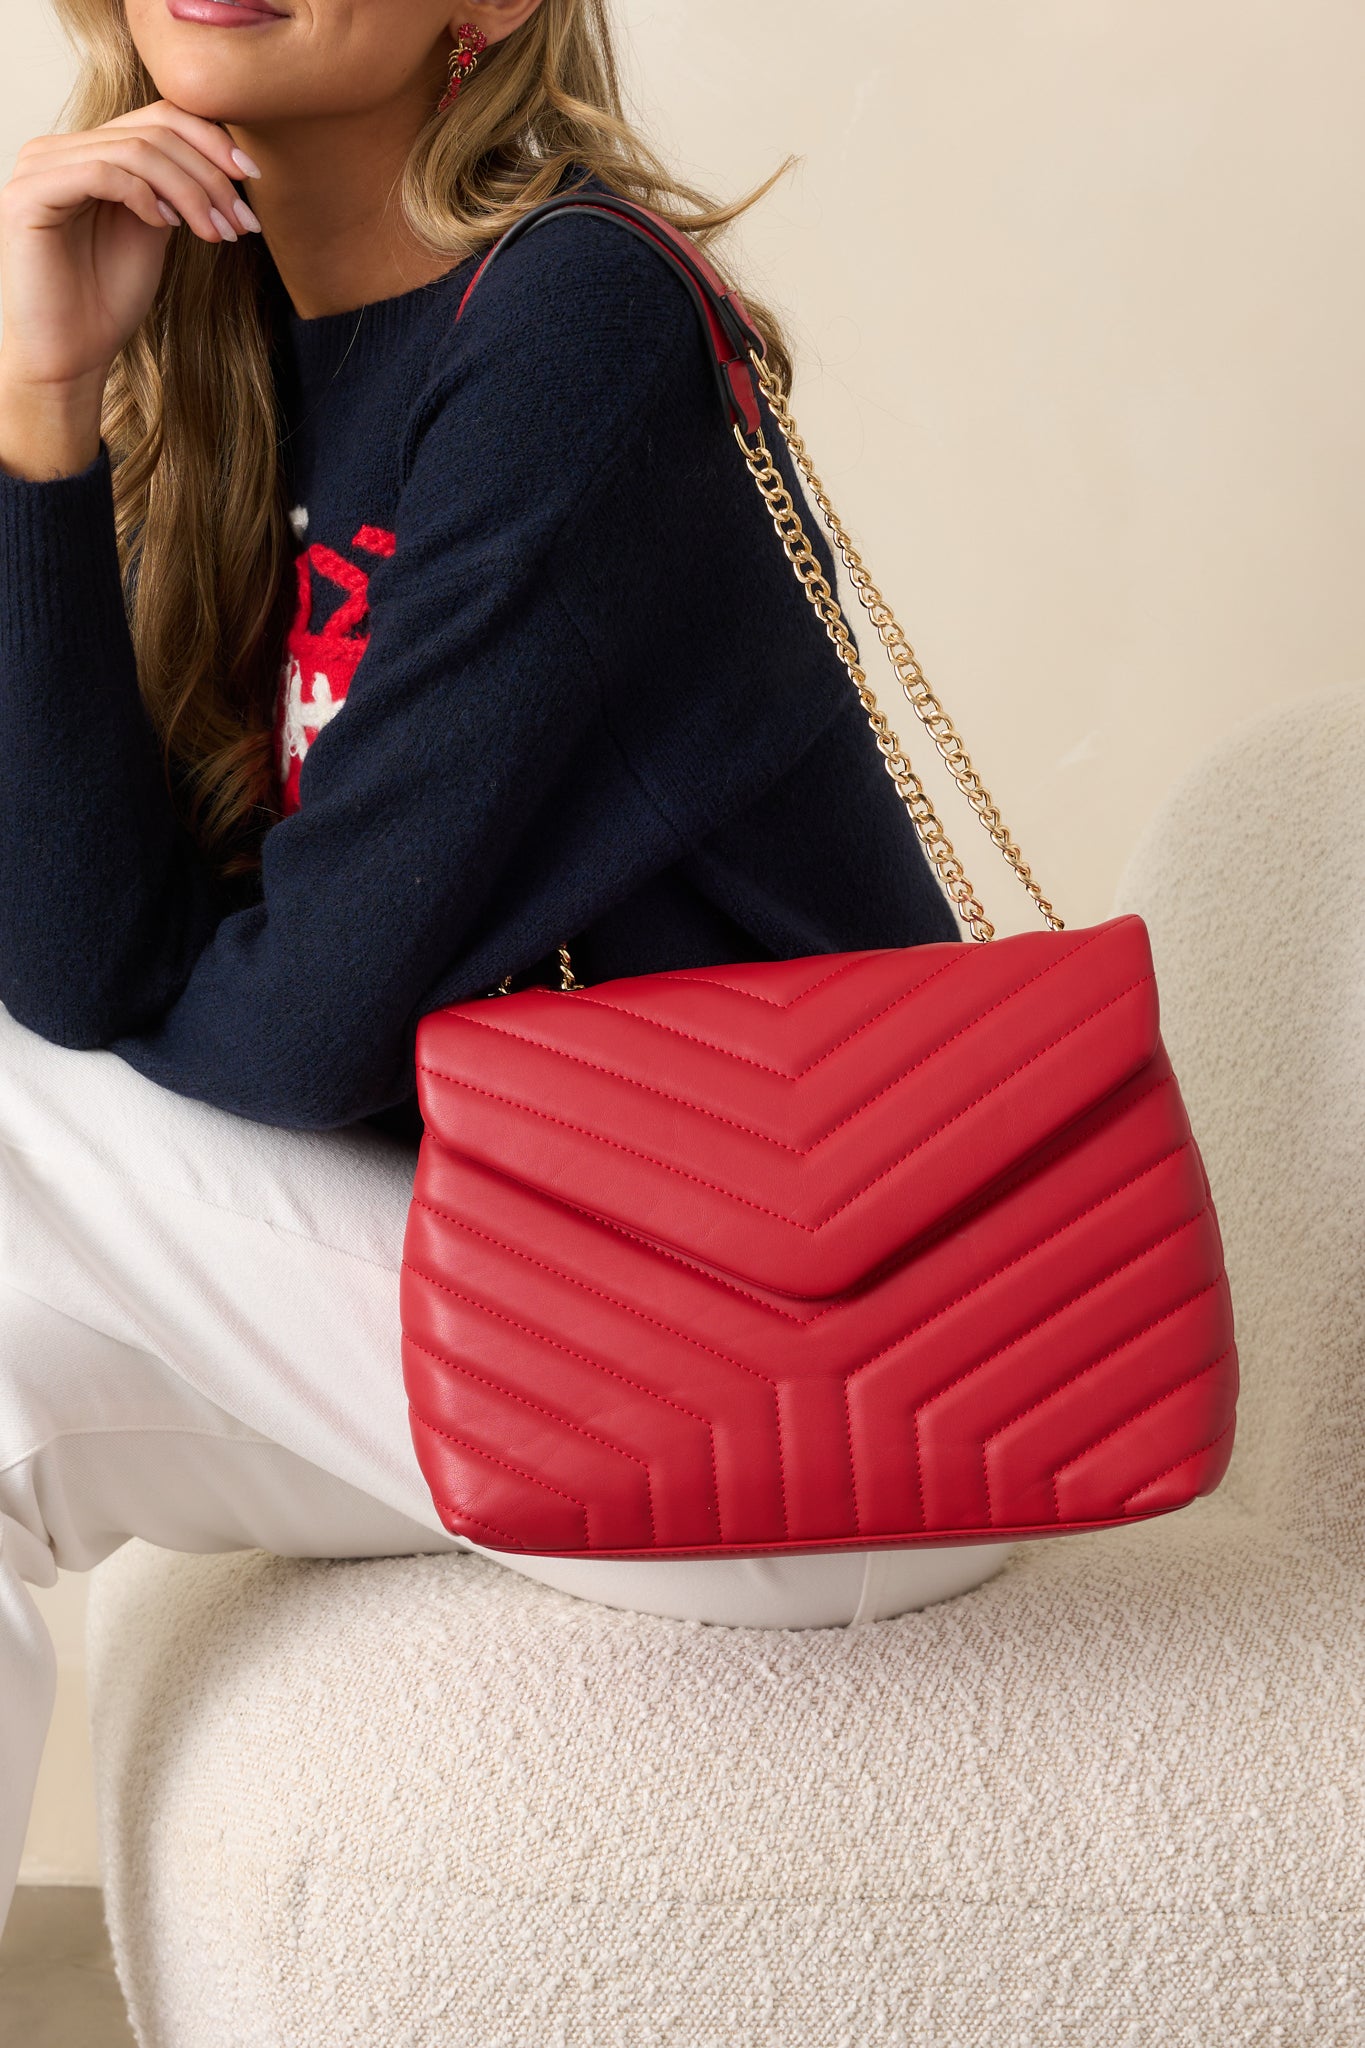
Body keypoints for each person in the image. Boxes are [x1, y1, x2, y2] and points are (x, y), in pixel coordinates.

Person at [0, 0, 1011, 1927]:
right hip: (589, 1320)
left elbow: (287, 1034)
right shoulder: (243, 359)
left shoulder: (573, 325)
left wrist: (200, 988)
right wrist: (40, 412)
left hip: (824, 1367)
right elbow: (85, 955)